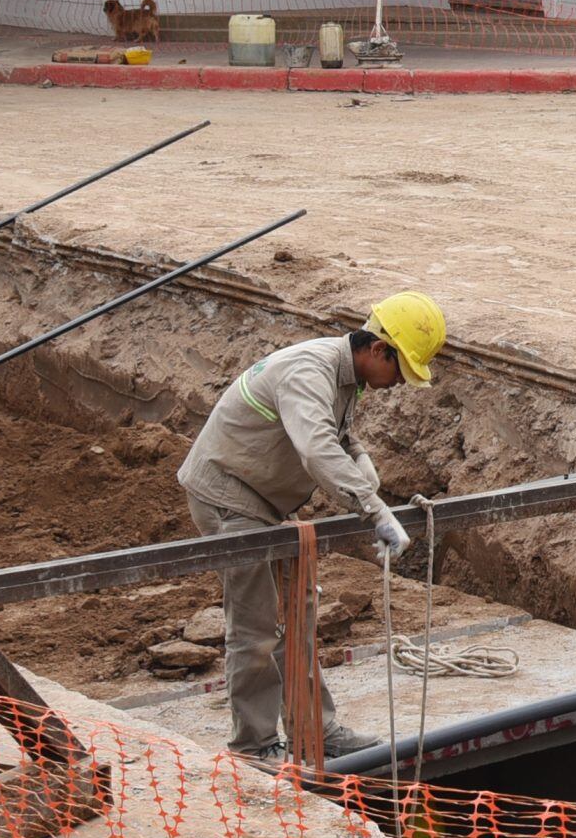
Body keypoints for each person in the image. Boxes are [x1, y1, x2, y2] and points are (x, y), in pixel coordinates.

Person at [176, 293, 447, 766]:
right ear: (379, 350)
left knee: (297, 613)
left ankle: (314, 730)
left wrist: (360, 462)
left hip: (265, 501)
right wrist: (374, 510)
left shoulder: (343, 374)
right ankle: (254, 747)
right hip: (228, 498)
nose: (399, 383)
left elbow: (336, 432)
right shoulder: (310, 370)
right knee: (257, 625)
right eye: (400, 370)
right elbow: (317, 447)